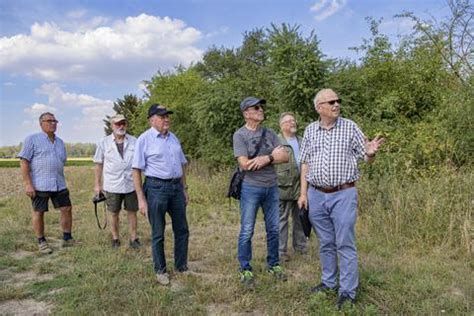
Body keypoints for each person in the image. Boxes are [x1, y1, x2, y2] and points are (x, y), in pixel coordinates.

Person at [298, 88, 384, 309]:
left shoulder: (350, 127)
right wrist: (303, 193)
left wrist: (371, 152)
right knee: (326, 242)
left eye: (338, 101)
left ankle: (348, 292)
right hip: (316, 194)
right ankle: (328, 283)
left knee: (345, 242)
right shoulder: (310, 130)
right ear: (319, 108)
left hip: (343, 194)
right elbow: (305, 162)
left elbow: (365, 156)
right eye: (331, 102)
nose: (336, 105)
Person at [233, 96, 290, 288]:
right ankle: (245, 268)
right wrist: (272, 156)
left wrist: (266, 159)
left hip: (272, 186)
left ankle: (273, 264)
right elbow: (245, 164)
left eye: (261, 107)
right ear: (246, 113)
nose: (260, 110)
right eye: (256, 108)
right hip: (251, 188)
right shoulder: (239, 135)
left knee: (273, 228)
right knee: (247, 229)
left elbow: (285, 156)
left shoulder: (270, 133)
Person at [132, 104, 189, 285]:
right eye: (162, 116)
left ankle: (181, 266)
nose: (166, 119)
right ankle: (160, 270)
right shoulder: (144, 139)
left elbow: (182, 165)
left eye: (167, 116)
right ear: (151, 120)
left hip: (176, 188)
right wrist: (141, 199)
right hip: (156, 189)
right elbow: (136, 170)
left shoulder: (174, 138)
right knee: (158, 232)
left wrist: (184, 189)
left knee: (182, 230)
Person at [18, 112, 74, 254]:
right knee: (39, 212)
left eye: (55, 121)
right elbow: (24, 161)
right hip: (39, 184)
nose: (53, 123)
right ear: (41, 123)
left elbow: (62, 161)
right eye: (49, 121)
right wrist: (28, 184)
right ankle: (41, 241)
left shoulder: (60, 142)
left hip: (58, 183)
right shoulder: (32, 139)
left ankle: (67, 238)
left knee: (66, 208)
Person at [93, 114, 140, 249]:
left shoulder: (134, 141)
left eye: (123, 123)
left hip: (131, 184)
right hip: (112, 185)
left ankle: (134, 238)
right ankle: (115, 238)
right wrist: (97, 184)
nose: (121, 126)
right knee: (114, 213)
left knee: (132, 212)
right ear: (112, 126)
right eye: (117, 124)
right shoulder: (104, 142)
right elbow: (98, 164)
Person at [275, 112, 306, 262]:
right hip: (282, 187)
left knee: (300, 218)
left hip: (301, 187)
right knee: (282, 219)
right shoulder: (276, 141)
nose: (292, 123)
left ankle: (300, 247)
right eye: (288, 121)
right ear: (281, 126)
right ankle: (280, 251)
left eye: (293, 120)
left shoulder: (302, 141)